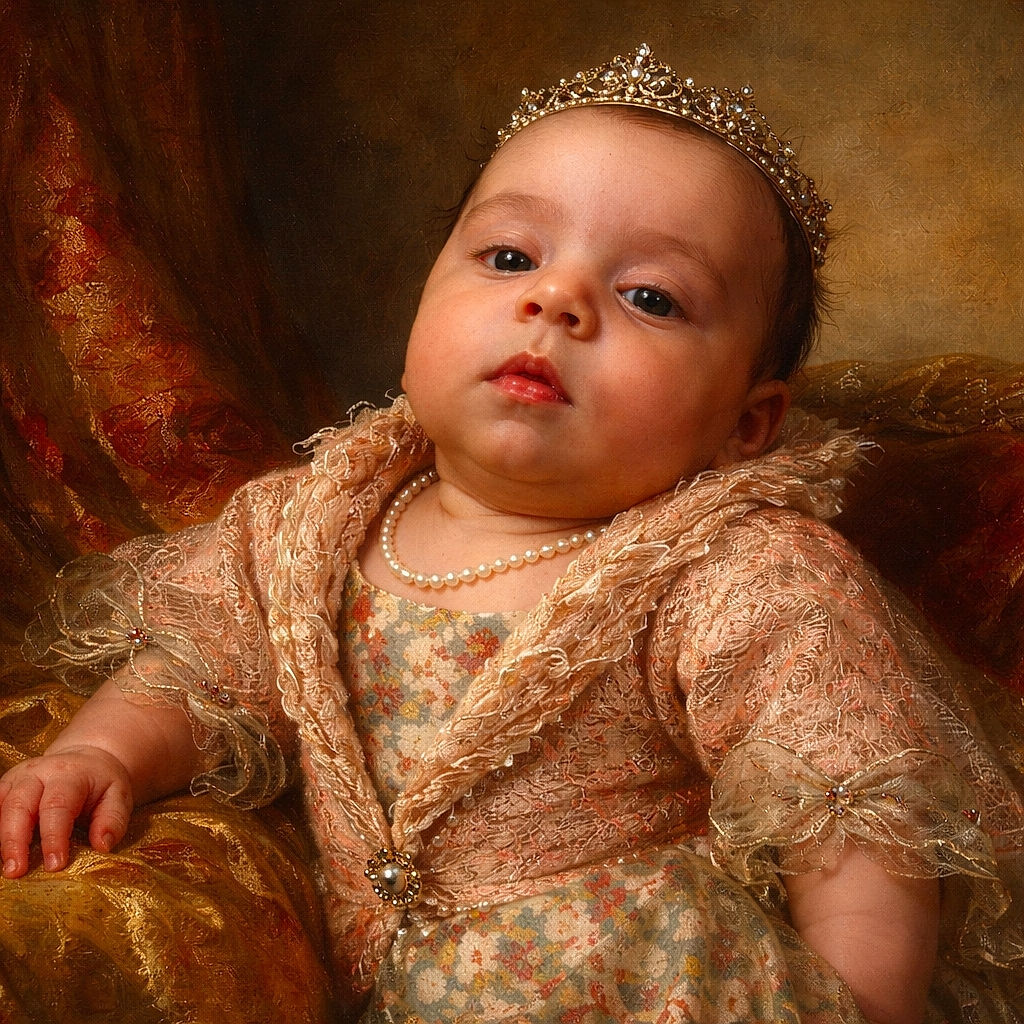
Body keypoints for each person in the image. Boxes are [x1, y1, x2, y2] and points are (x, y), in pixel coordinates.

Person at [0, 44, 1020, 1024]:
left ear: (744, 423)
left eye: (649, 297)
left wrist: (860, 1003)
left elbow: (848, 809)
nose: (557, 299)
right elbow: (200, 670)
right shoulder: (315, 519)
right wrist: (104, 753)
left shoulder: (740, 572)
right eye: (507, 255)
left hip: (645, 989)